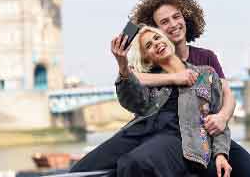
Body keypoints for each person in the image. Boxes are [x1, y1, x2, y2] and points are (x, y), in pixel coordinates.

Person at [129, 0, 250, 177]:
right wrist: (175, 77)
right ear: (156, 30)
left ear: (186, 18)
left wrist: (222, 118)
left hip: (211, 138)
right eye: (164, 22)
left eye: (176, 17)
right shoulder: (154, 64)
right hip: (177, 144)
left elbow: (227, 95)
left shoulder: (206, 57)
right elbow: (132, 77)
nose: (173, 24)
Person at [70, 25, 232, 177]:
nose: (156, 44)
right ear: (148, 59)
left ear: (167, 40)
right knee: (79, 171)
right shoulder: (150, 80)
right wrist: (122, 64)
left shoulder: (206, 75)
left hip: (179, 137)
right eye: (148, 45)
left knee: (135, 163)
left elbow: (218, 117)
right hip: (139, 132)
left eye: (157, 38)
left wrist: (221, 154)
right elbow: (132, 100)